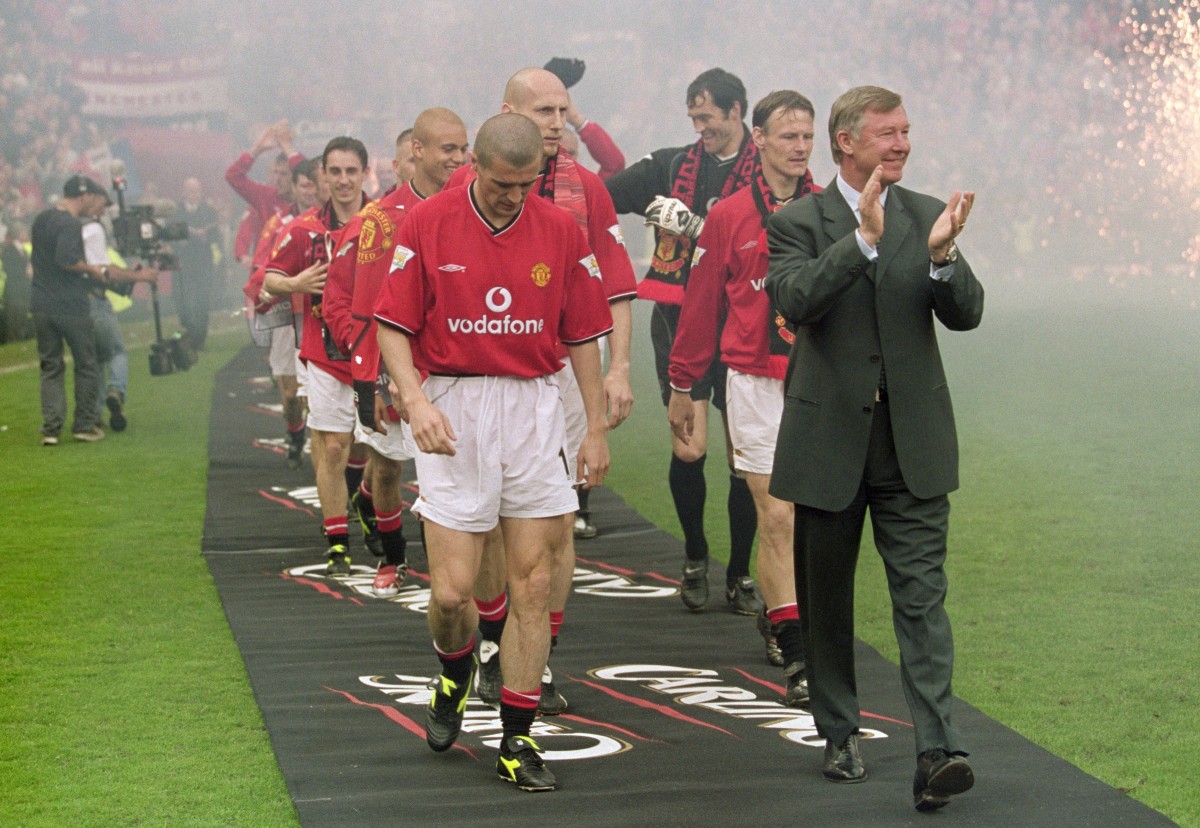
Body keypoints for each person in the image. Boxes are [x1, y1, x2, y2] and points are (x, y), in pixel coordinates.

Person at [374, 113, 612, 793]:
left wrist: (593, 426)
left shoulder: (560, 231)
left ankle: (517, 738)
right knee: (453, 594)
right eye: (502, 183)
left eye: (526, 184)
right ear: (473, 162)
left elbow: (584, 335)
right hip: (454, 407)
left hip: (534, 406)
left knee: (531, 583)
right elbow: (392, 323)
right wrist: (416, 402)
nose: (513, 197)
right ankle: (453, 669)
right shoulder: (427, 222)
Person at [764, 85, 981, 811]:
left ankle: (938, 748)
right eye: (887, 134)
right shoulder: (797, 220)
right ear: (845, 143)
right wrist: (859, 241)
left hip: (912, 443)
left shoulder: (925, 214)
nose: (902, 144)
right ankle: (839, 730)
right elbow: (794, 301)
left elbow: (967, 314)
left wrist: (946, 260)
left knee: (923, 599)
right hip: (829, 443)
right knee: (827, 601)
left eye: (907, 131)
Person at [446, 67, 637, 715]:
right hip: (483, 373)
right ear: (509, 113)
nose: (558, 121)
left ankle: (536, 658)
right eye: (545, 110)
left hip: (562, 372)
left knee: (553, 532)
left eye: (564, 110)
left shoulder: (587, 190)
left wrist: (619, 368)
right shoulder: (461, 190)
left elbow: (614, 286)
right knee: (495, 530)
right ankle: (495, 637)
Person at [668, 90, 820, 707]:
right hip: (753, 382)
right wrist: (685, 385)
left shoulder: (831, 211)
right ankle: (800, 654)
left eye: (808, 136)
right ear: (757, 139)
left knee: (811, 521)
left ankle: (784, 616)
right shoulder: (729, 215)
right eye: (788, 136)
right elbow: (701, 306)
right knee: (777, 514)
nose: (800, 147)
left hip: (816, 382)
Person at [606, 67, 761, 613]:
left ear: (737, 110)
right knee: (688, 448)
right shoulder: (670, 165)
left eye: (708, 117)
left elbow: (784, 234)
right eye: (693, 117)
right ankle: (696, 556)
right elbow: (602, 195)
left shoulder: (769, 171)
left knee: (746, 456)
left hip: (747, 323)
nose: (701, 128)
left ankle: (740, 572)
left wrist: (697, 227)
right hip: (679, 321)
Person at [323, 110, 469, 597]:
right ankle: (393, 556)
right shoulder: (381, 219)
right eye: (446, 149)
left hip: (455, 369)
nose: (457, 158)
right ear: (415, 156)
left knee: (447, 474)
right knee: (387, 466)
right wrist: (373, 381)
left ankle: (449, 572)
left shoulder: (475, 206)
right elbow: (366, 307)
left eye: (461, 148)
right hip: (396, 371)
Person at [264, 138, 370, 574]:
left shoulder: (384, 222)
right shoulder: (304, 228)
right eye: (335, 172)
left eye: (351, 171)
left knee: (374, 451)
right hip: (322, 352)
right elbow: (269, 278)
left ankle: (367, 501)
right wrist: (297, 283)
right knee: (331, 448)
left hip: (373, 352)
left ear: (365, 173)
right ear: (322, 176)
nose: (343, 181)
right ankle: (338, 542)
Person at [246, 158, 324, 470]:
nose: (309, 190)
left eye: (312, 184)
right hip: (289, 314)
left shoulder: (345, 219)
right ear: (293, 188)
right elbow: (262, 267)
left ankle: (334, 466)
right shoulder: (281, 224)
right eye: (303, 184)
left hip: (327, 317)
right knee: (291, 396)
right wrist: (265, 290)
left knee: (322, 398)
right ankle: (295, 434)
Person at [30, 175, 111, 444]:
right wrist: (91, 269)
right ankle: (83, 425)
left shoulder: (41, 219)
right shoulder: (70, 224)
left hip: (41, 304)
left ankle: (51, 429)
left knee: (50, 367)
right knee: (86, 364)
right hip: (71, 305)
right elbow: (66, 260)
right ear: (84, 196)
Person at [80, 192, 157, 432]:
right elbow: (104, 270)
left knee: (92, 360)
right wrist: (139, 276)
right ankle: (116, 390)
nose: (105, 211)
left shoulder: (70, 227)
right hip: (95, 299)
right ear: (92, 199)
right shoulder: (93, 229)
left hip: (75, 304)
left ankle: (93, 416)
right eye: (103, 204)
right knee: (116, 353)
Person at [174, 176, 220, 351]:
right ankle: (189, 331)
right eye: (190, 190)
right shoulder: (176, 212)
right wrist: (181, 240)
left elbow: (216, 238)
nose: (194, 194)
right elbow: (170, 235)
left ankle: (199, 340)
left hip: (203, 264)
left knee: (202, 302)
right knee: (183, 302)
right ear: (184, 192)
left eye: (197, 190)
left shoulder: (209, 212)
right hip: (182, 265)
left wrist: (205, 237)